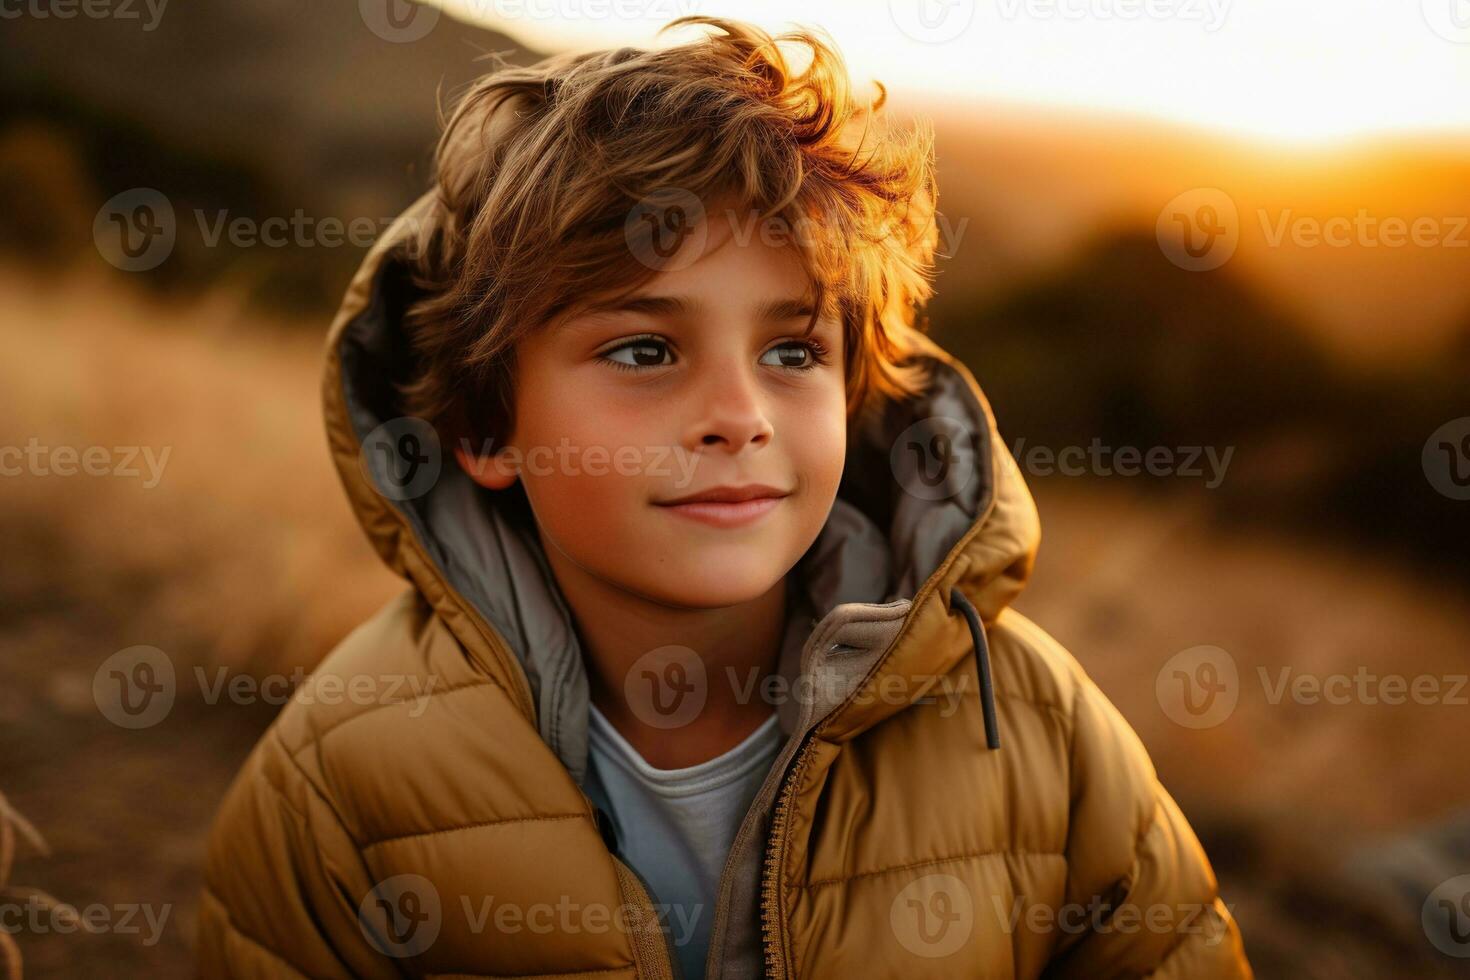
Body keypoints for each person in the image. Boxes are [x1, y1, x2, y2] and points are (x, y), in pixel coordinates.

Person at [197, 16, 1252, 978]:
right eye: (647, 348)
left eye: (793, 347)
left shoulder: (1035, 728)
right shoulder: (339, 778)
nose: (738, 414)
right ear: (485, 428)